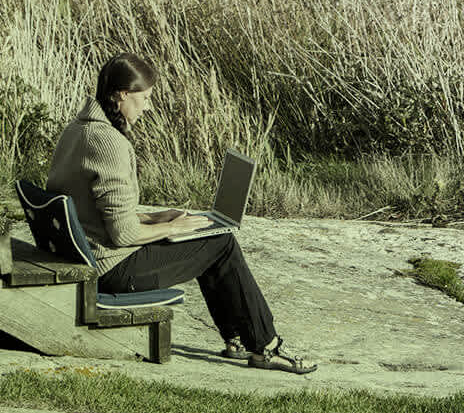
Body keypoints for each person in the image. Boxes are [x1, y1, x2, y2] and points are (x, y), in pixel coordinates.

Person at [46, 51, 316, 373]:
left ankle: (239, 340)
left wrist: (157, 217)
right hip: (110, 269)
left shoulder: (75, 130)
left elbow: (94, 212)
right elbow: (123, 234)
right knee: (220, 243)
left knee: (209, 241)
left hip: (88, 254)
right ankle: (265, 346)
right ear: (122, 95)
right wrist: (175, 229)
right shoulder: (109, 143)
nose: (146, 107)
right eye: (144, 98)